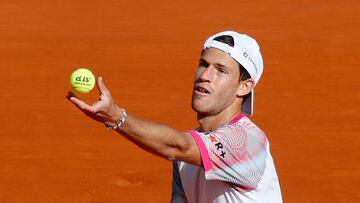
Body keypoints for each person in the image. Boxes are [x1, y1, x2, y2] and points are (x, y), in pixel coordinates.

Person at [67, 31, 283, 203]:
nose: (205, 76)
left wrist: (116, 117)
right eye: (203, 64)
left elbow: (178, 147)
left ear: (244, 87)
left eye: (221, 70)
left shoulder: (246, 142)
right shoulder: (187, 159)